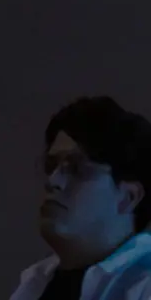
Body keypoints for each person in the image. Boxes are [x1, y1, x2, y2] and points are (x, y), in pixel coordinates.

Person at [9, 97, 151, 300]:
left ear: (128, 197)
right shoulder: (34, 283)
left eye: (76, 168)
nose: (52, 180)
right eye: (51, 166)